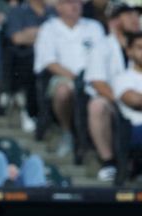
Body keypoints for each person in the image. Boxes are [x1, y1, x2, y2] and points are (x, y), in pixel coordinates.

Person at [34, 0, 105, 158]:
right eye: (69, 2)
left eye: (78, 2)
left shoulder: (94, 27)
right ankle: (67, 131)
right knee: (62, 91)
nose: (74, 6)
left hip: (94, 77)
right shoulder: (49, 28)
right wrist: (75, 78)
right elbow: (48, 62)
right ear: (58, 7)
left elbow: (103, 55)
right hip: (64, 76)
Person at [86, 3, 140, 182]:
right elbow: (97, 81)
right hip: (113, 100)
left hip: (136, 102)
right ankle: (108, 160)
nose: (135, 20)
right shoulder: (102, 45)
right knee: (97, 106)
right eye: (128, 15)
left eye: (136, 15)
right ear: (115, 21)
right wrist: (122, 100)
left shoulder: (138, 43)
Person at [4, 0, 55, 133]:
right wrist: (48, 34)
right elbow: (17, 38)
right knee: (32, 64)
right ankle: (30, 111)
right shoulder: (18, 11)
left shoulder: (54, 11)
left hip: (55, 56)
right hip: (27, 55)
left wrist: (35, 33)